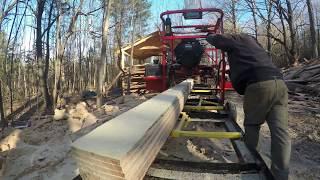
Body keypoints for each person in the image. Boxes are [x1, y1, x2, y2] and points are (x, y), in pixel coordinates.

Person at [206, 33, 291, 180]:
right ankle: (280, 175)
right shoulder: (256, 46)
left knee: (252, 125)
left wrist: (209, 36)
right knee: (281, 132)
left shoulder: (237, 39)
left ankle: (251, 167)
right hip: (280, 84)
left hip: (259, 84)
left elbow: (219, 40)